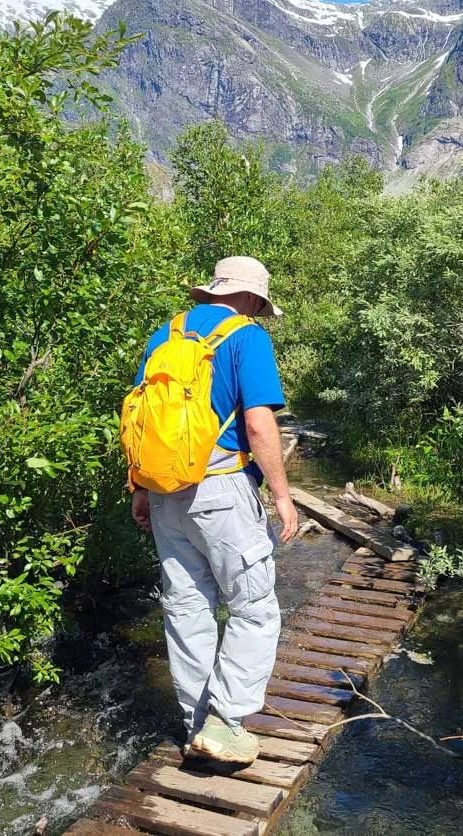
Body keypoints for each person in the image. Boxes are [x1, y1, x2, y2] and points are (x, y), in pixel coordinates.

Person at [130, 256, 300, 764]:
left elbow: (143, 420)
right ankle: (226, 723)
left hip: (164, 493)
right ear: (252, 299)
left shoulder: (166, 334)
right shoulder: (247, 338)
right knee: (253, 606)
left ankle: (194, 721)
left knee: (187, 608)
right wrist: (282, 494)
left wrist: (138, 487)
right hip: (222, 489)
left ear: (213, 291)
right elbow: (258, 425)